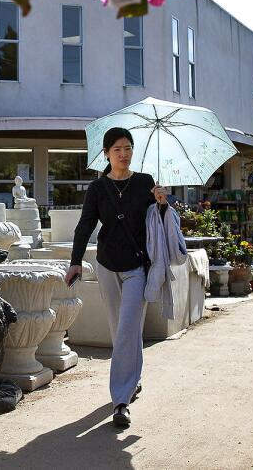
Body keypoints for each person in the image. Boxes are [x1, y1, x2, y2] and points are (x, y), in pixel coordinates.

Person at [65, 126, 168, 429]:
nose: (124, 154)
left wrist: (162, 205)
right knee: (121, 329)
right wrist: (74, 262)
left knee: (126, 329)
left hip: (137, 267)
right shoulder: (97, 189)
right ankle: (132, 378)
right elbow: (84, 227)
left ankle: (120, 401)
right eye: (117, 149)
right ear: (107, 154)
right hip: (108, 266)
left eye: (128, 148)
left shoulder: (145, 183)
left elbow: (158, 226)